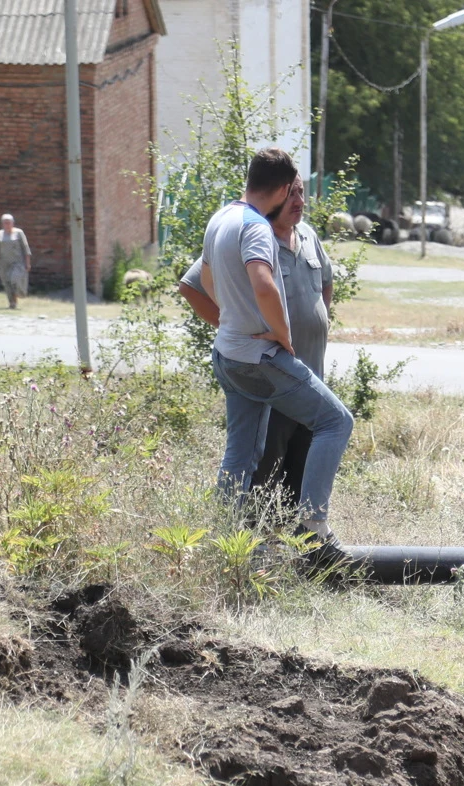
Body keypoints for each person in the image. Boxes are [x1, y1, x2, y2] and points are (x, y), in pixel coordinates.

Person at [200, 148, 354, 561]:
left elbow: (208, 278)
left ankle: (227, 541)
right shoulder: (255, 228)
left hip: (228, 355)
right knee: (336, 421)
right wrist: (282, 335)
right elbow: (265, 285)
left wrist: (231, 318)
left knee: (241, 452)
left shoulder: (222, 217)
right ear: (284, 188)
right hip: (260, 358)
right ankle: (314, 525)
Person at [180, 180, 335, 515]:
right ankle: (252, 544)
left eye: (302, 193)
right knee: (262, 473)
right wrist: (233, 324)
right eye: (291, 193)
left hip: (311, 375)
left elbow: (326, 282)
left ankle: (303, 547)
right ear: (274, 196)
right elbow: (192, 287)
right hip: (271, 376)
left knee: (303, 467)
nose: (299, 201)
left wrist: (320, 318)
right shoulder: (252, 235)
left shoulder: (307, 235)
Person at [0, 214, 31, 309]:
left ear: (12, 223)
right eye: (5, 223)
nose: (7, 224)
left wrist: (27, 263)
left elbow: (26, 248)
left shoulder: (19, 233)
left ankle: (20, 293)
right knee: (6, 283)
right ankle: (12, 303)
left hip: (17, 262)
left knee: (14, 279)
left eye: (9, 222)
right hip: (3, 263)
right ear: (2, 224)